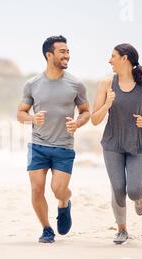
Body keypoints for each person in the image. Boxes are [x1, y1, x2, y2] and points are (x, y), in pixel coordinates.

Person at [17, 35, 90, 243]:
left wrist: (77, 123)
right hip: (38, 144)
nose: (67, 55)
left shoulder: (76, 84)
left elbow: (86, 112)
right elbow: (20, 113)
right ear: (49, 55)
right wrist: (32, 118)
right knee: (36, 188)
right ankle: (46, 229)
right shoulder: (32, 84)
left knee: (58, 190)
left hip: (63, 146)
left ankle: (65, 201)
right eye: (62, 51)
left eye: (67, 51)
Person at [91, 43, 142, 245]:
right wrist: (107, 104)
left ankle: (140, 196)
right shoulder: (106, 83)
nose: (109, 60)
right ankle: (122, 230)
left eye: (112, 56)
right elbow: (95, 119)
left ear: (125, 58)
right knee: (118, 189)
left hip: (137, 143)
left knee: (134, 190)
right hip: (112, 144)